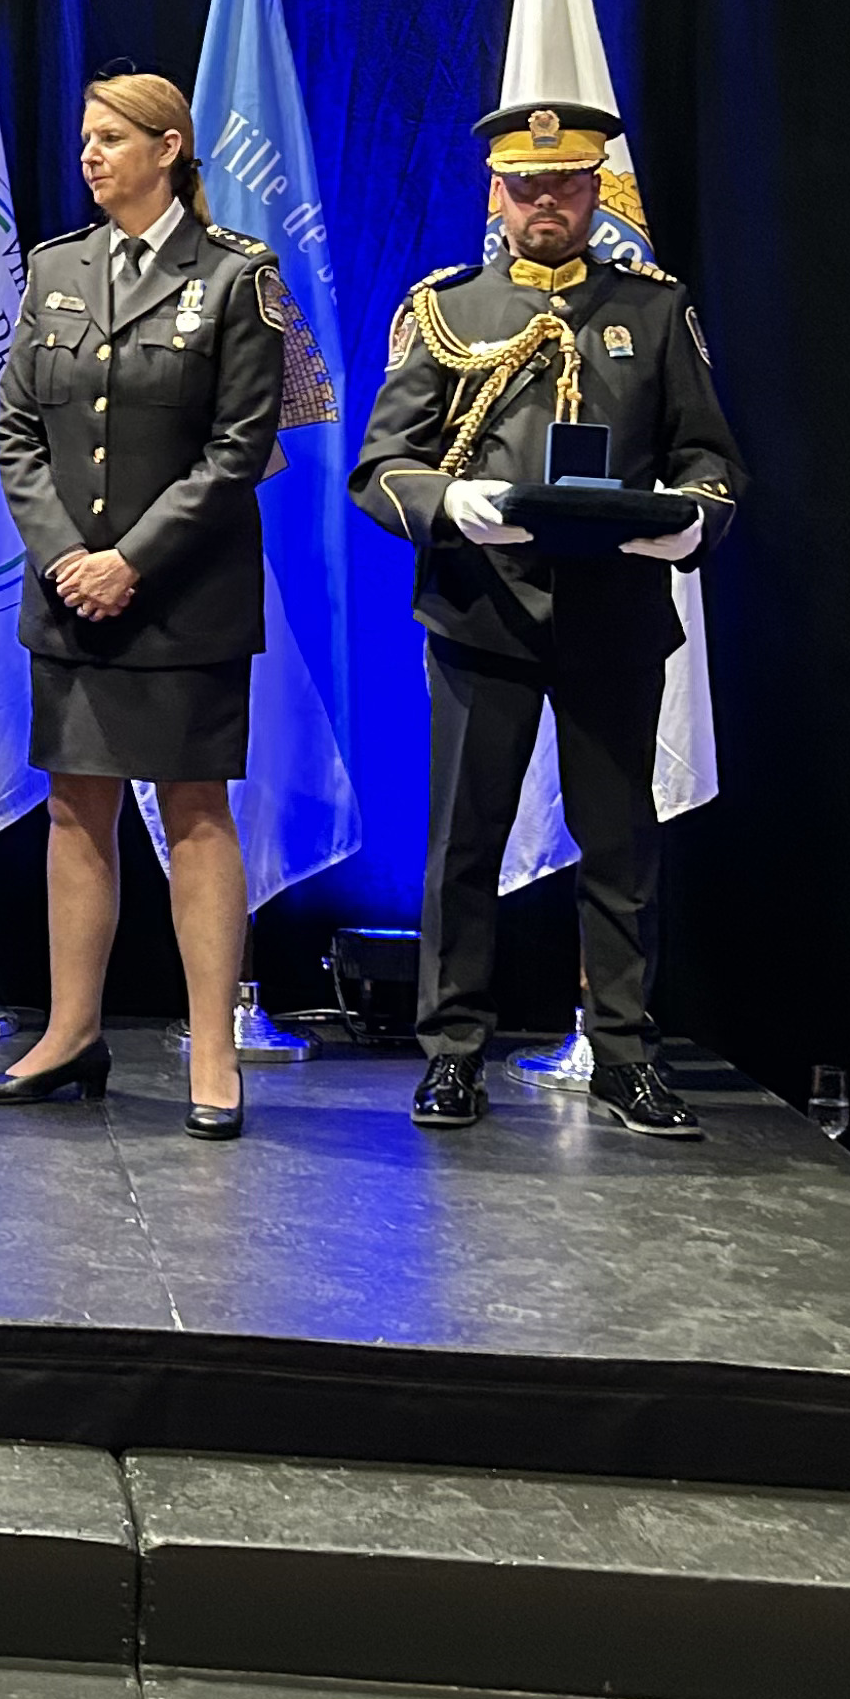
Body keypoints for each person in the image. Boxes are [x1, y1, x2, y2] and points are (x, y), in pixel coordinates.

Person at [350, 100, 744, 1142]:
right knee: (460, 846)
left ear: (594, 189)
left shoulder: (652, 313)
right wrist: (449, 505)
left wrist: (688, 524)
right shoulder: (448, 311)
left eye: (566, 184)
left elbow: (710, 459)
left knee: (619, 848)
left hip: (614, 612)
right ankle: (451, 1055)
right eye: (526, 186)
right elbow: (377, 467)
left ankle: (622, 1055)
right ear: (496, 193)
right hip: (485, 613)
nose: (546, 204)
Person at [0, 73, 290, 1135]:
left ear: (169, 148)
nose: (91, 156)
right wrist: (70, 555)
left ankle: (213, 1052)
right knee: (76, 806)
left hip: (182, 596)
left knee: (194, 811)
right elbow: (16, 429)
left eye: (112, 138)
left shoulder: (242, 276)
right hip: (71, 593)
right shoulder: (54, 267)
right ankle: (72, 1031)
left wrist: (133, 561)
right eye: (84, 139)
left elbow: (241, 448)